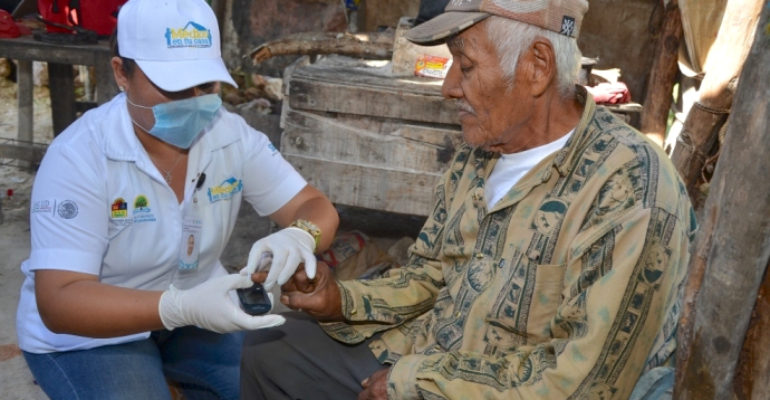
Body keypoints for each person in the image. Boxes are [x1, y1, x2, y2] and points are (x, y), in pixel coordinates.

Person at [240, 0, 697, 399]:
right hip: (429, 353)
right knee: (266, 352)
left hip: (504, 387)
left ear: (537, 66)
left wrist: (412, 382)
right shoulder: (480, 153)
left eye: (467, 65)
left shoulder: (629, 185)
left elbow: (584, 381)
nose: (448, 86)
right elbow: (430, 273)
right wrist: (340, 300)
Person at [15, 0, 338, 399]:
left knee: (274, 384)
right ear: (121, 73)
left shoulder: (229, 136)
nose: (195, 102)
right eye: (175, 88)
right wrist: (178, 308)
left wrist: (301, 236)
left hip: (199, 313)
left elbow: (315, 207)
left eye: (206, 85)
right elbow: (60, 300)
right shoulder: (79, 156)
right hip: (89, 334)